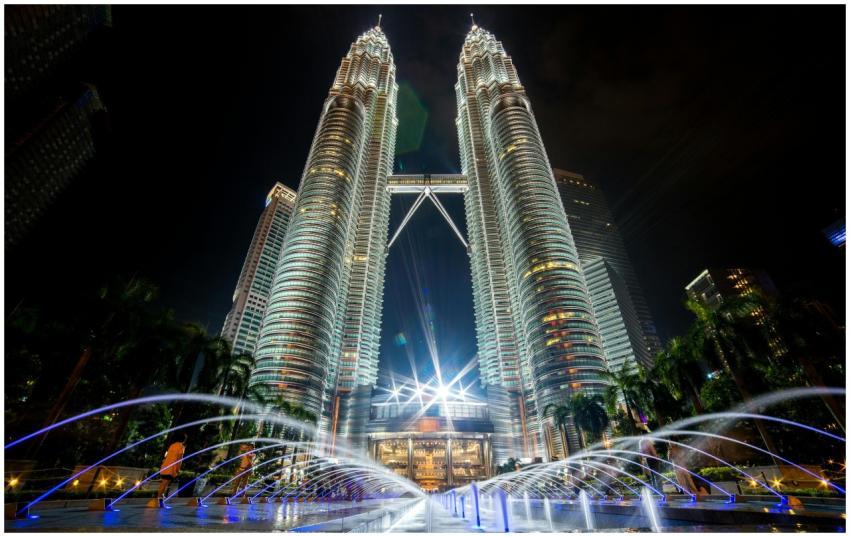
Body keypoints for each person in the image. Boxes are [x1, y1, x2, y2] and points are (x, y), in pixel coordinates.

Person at [157, 434, 187, 501]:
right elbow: (179, 460)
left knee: (165, 482)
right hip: (171, 468)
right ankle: (158, 498)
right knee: (165, 483)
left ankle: (161, 496)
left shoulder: (172, 445)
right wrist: (178, 469)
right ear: (183, 439)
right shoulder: (181, 447)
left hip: (165, 466)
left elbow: (167, 456)